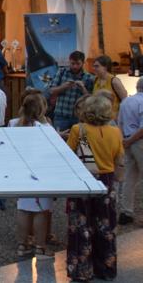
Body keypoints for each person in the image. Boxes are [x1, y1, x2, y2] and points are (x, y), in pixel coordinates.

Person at [65, 92, 123, 282]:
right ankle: (106, 268)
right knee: (105, 226)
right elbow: (119, 159)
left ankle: (82, 270)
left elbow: (70, 155)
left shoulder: (78, 129)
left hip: (83, 180)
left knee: (81, 226)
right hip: (106, 181)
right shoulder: (115, 131)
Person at [9, 92, 56, 257]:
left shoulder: (13, 123)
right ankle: (40, 246)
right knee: (41, 210)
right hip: (41, 172)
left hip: (20, 171)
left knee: (23, 207)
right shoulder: (45, 128)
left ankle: (22, 244)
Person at [46, 51, 93, 132]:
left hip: (79, 117)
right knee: (59, 140)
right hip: (61, 115)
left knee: (80, 142)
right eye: (72, 63)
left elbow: (90, 99)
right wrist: (63, 87)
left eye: (78, 64)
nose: (75, 66)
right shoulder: (61, 72)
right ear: (69, 61)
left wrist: (83, 88)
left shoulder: (88, 77)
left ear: (83, 63)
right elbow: (51, 91)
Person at [118, 77, 143, 227]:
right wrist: (132, 140)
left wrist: (125, 141)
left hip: (127, 140)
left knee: (129, 178)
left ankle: (126, 212)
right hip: (139, 141)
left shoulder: (126, 101)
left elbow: (119, 123)